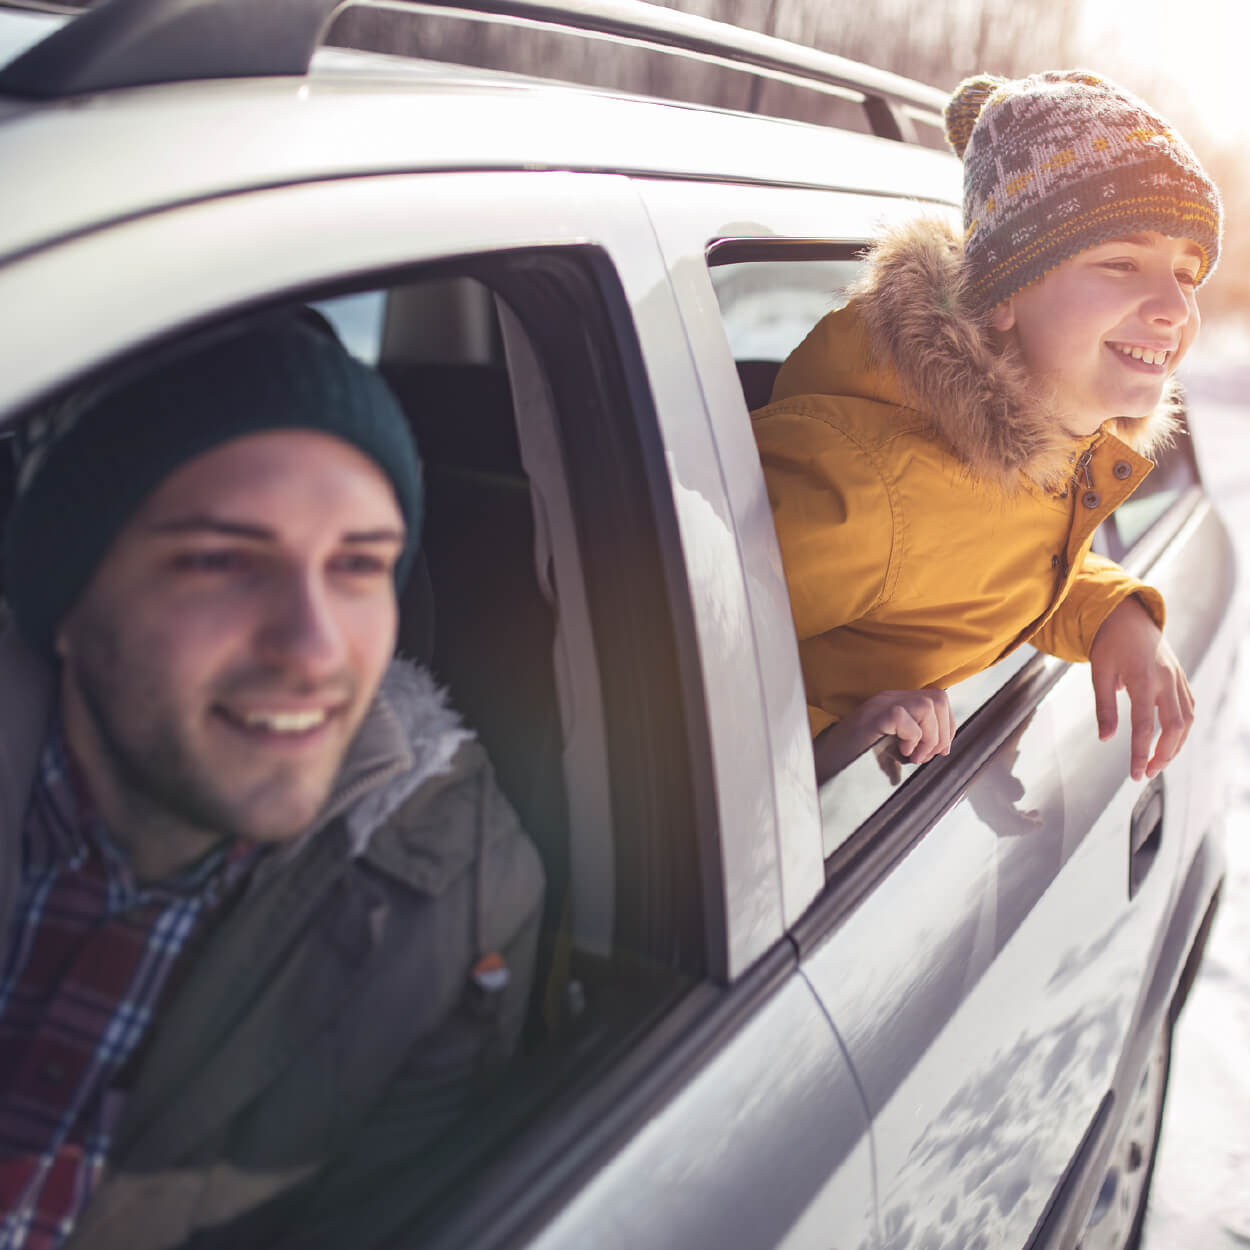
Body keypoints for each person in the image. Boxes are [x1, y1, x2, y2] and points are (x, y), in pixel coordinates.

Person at [0, 313, 544, 1249]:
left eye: (359, 566)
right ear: (68, 597)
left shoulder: (452, 893)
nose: (314, 648)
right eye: (219, 561)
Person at [752, 70, 1221, 780]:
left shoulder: (1044, 446)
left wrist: (1109, 611)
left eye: (1187, 275)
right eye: (1122, 261)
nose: (1175, 309)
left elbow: (1003, 555)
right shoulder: (863, 489)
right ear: (998, 294)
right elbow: (649, 655)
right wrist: (823, 744)